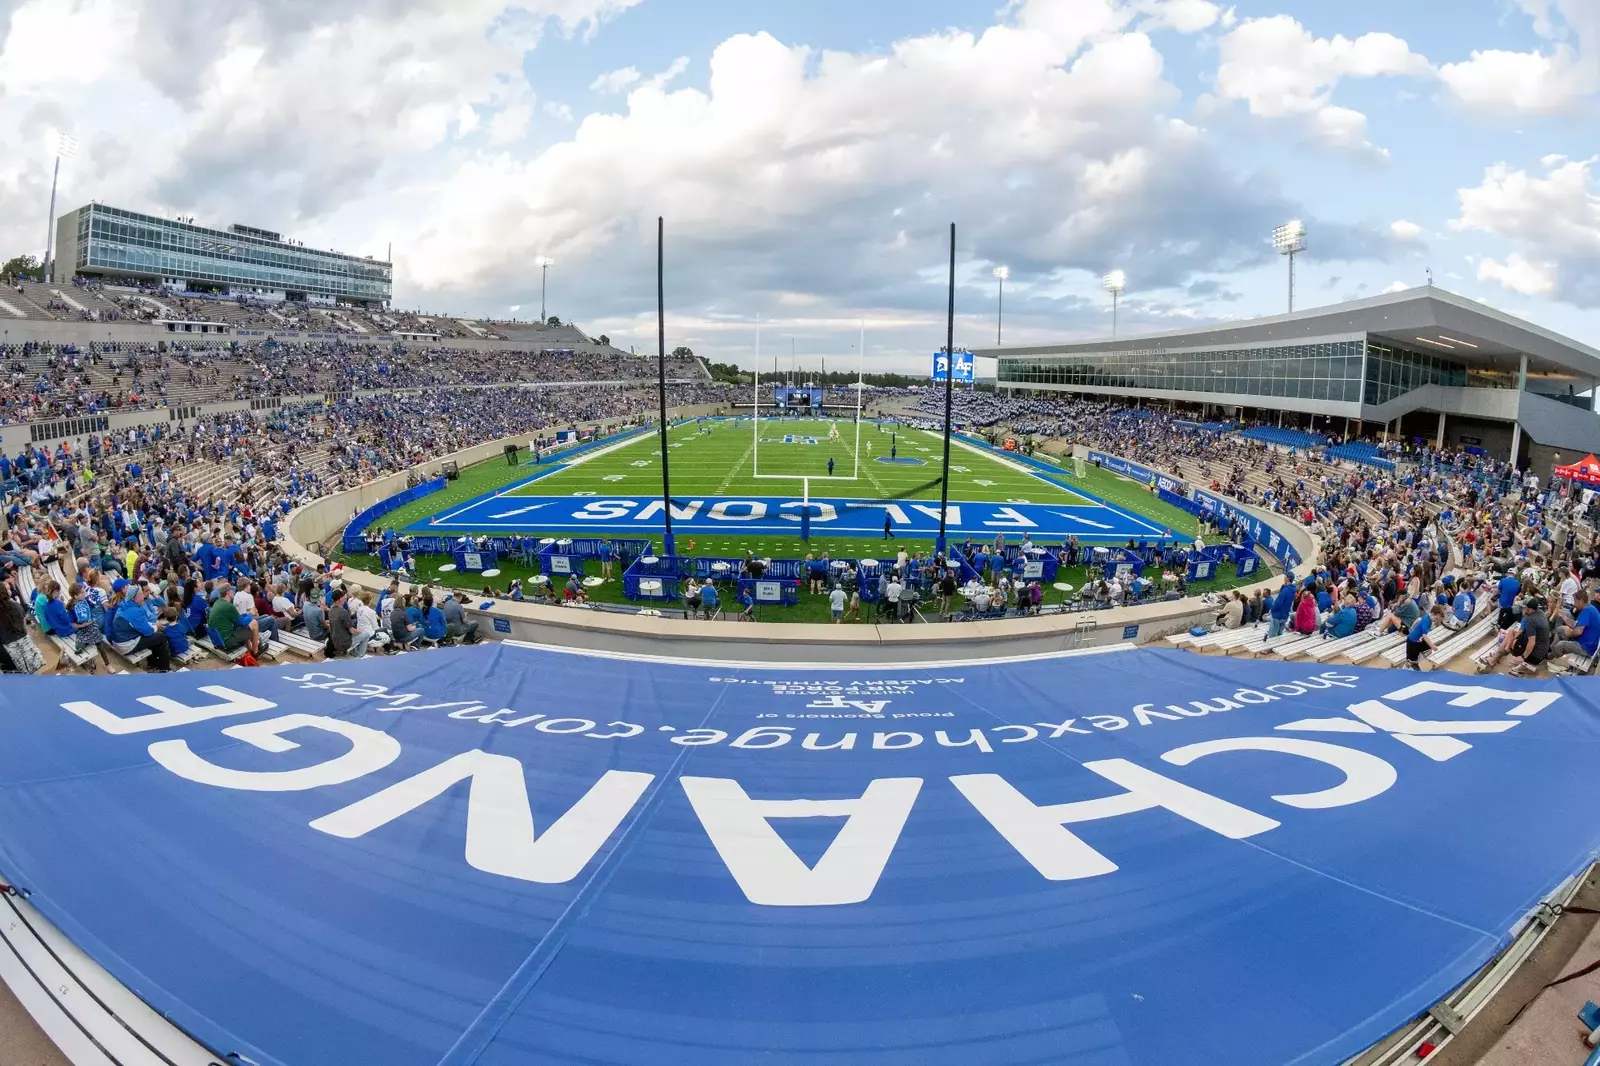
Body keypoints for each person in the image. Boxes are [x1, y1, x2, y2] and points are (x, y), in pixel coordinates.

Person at [109, 580, 173, 671]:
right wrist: (156, 626)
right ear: (135, 598)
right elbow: (148, 632)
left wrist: (153, 625)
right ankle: (165, 668)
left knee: (153, 637)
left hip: (120, 641)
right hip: (125, 645)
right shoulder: (134, 611)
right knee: (160, 637)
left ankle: (153, 664)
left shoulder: (125, 604)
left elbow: (141, 624)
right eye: (142, 594)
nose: (144, 596)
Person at [0, 582, 43, 673]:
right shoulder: (14, 605)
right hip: (23, 640)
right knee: (34, 667)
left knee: (22, 670)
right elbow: (22, 616)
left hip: (9, 646)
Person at [1551, 588, 1600, 663]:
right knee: (1561, 629)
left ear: (1581, 601)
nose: (1574, 604)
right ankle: (1552, 651)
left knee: (1561, 645)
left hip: (1586, 648)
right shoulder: (1589, 608)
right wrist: (1563, 616)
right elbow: (1575, 624)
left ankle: (1554, 662)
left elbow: (1578, 632)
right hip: (1586, 643)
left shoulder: (1587, 611)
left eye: (1575, 601)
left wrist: (1570, 634)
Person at [1405, 603, 1446, 669]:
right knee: (1410, 660)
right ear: (1432, 613)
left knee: (1429, 650)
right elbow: (1424, 636)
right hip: (1412, 642)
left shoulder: (1427, 616)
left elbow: (1418, 619)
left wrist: (1412, 627)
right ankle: (1406, 667)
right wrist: (1432, 646)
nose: (1436, 621)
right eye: (1436, 619)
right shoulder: (1427, 621)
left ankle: (1415, 661)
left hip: (1418, 640)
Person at [1266, 573, 1295, 640]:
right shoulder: (1292, 589)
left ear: (1288, 578)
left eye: (1285, 576)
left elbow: (1278, 603)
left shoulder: (1285, 590)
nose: (1284, 577)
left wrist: (1272, 609)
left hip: (1278, 615)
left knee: (1273, 635)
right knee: (1279, 634)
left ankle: (1271, 646)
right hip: (1285, 614)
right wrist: (1283, 586)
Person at [328, 587, 355, 657]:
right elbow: (351, 630)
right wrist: (361, 632)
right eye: (343, 596)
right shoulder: (343, 612)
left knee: (354, 622)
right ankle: (358, 655)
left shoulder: (331, 610)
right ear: (340, 599)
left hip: (334, 640)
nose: (345, 597)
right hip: (344, 643)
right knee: (365, 635)